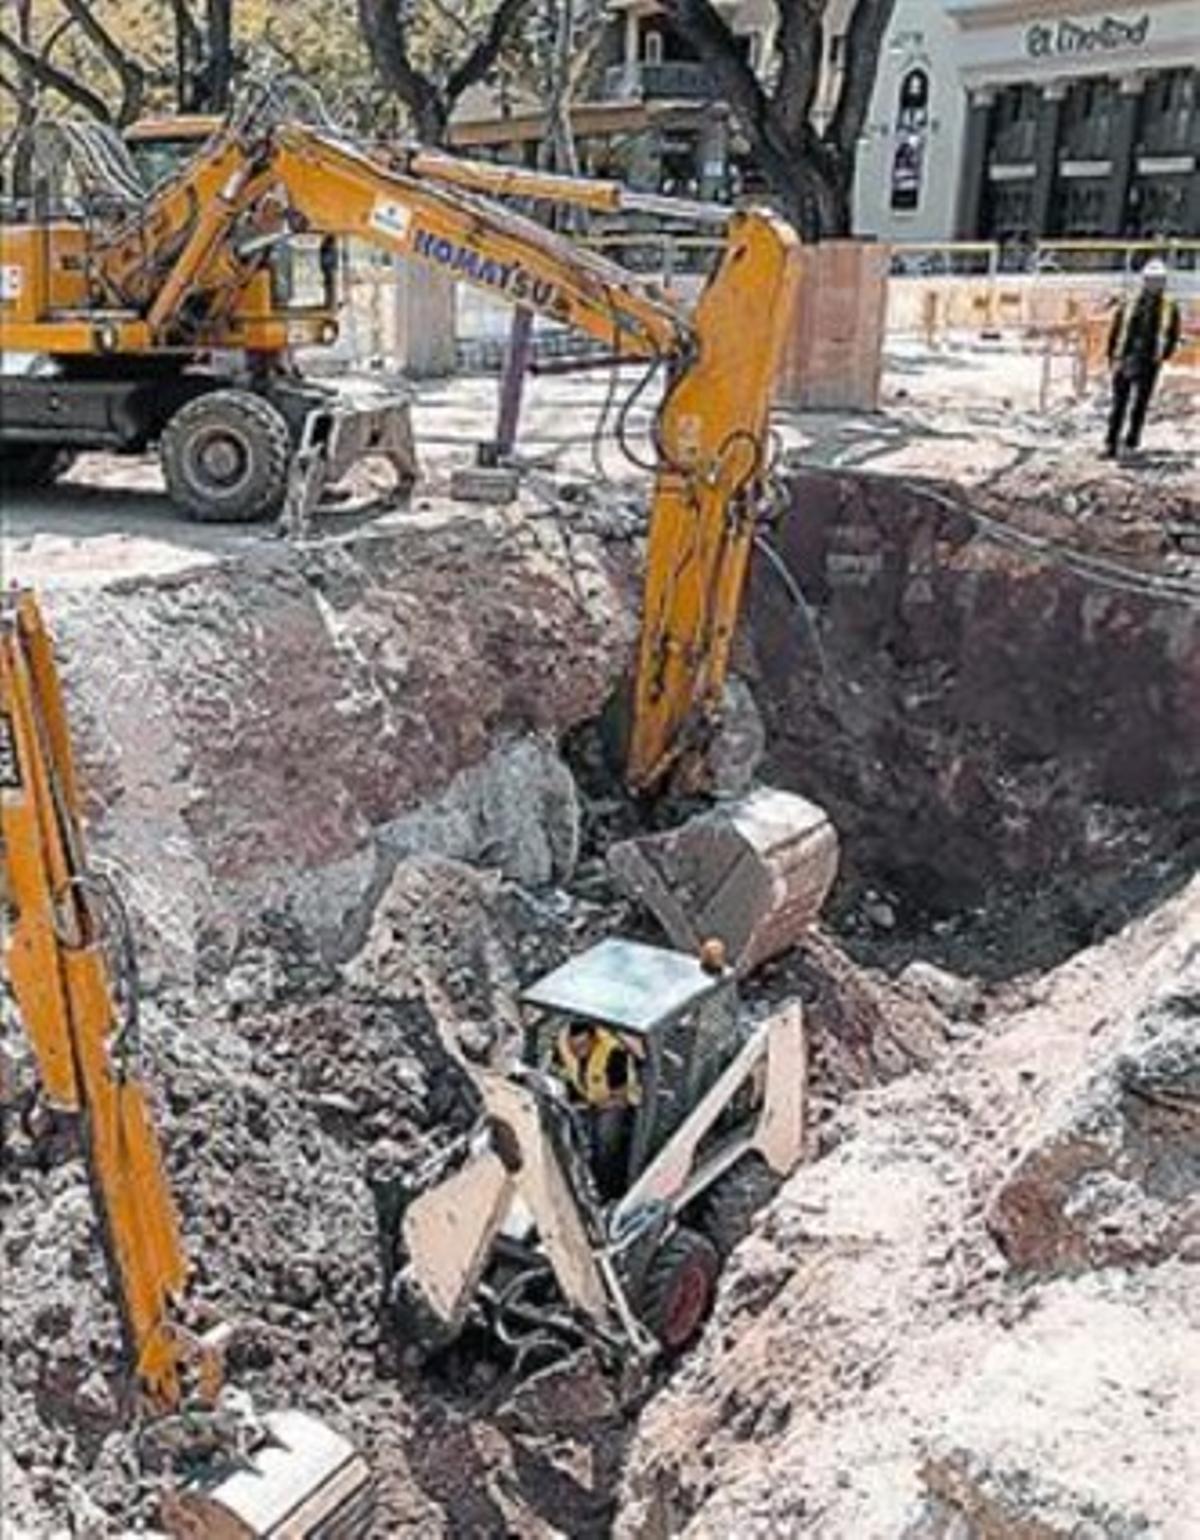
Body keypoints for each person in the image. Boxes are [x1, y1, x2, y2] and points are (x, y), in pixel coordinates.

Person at [555, 1020, 643, 1200]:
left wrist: (591, 1108)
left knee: (605, 1138)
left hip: (614, 1103)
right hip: (585, 1099)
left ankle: (606, 1190)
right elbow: (559, 1072)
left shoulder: (614, 1053)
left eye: (582, 1046)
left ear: (594, 1039)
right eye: (574, 1047)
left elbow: (621, 1098)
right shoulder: (563, 1044)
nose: (577, 1052)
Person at [1104, 259, 1181, 459]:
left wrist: (1163, 355)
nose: (1154, 284)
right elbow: (1116, 329)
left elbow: (1172, 333)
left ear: (1163, 282)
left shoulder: (1169, 306)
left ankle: (1132, 440)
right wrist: (1112, 355)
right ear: (1144, 281)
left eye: (1158, 281)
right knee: (1119, 403)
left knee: (1140, 403)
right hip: (1126, 356)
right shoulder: (1130, 302)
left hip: (1149, 361)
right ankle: (1111, 444)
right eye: (1151, 280)